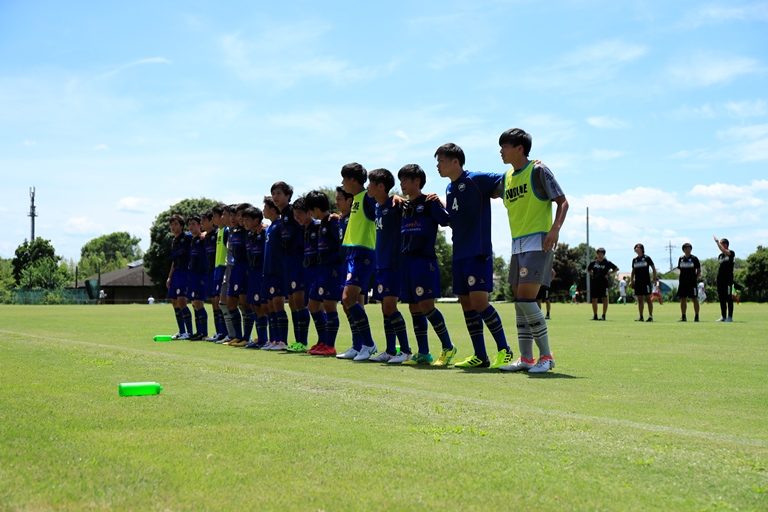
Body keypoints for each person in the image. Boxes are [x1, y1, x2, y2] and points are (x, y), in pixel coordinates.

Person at [494, 128, 569, 374]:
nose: (501, 151)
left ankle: (546, 356)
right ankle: (526, 358)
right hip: (517, 245)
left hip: (538, 242)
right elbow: (487, 188)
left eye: (505, 146)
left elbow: (563, 202)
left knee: (526, 300)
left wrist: (555, 229)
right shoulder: (507, 177)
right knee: (520, 303)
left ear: (520, 149)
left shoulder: (538, 170)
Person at [434, 142, 513, 369]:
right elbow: (452, 219)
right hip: (459, 253)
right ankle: (480, 355)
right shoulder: (449, 189)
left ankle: (505, 350)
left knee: (480, 302)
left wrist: (528, 169)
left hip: (477, 251)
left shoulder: (476, 179)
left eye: (441, 161)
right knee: (466, 303)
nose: (438, 166)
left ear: (455, 161)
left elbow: (505, 178)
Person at [396, 164, 456, 367]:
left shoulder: (430, 202)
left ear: (417, 181)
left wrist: (440, 201)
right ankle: (423, 352)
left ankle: (448, 347)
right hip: (406, 262)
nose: (402, 184)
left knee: (426, 305)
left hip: (423, 261)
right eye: (401, 180)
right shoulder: (404, 206)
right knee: (414, 307)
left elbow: (447, 220)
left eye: (405, 180)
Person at [366, 168, 413, 364]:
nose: (368, 187)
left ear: (381, 186)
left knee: (390, 306)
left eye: (370, 183)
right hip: (381, 264)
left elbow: (411, 203)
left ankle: (406, 350)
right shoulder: (377, 206)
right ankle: (390, 350)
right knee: (384, 308)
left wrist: (398, 197)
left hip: (394, 263)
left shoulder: (395, 205)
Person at [335, 163, 379, 361]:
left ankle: (368, 344)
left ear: (352, 180)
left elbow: (382, 210)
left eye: (344, 179)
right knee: (347, 302)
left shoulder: (367, 198)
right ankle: (357, 345)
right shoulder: (355, 200)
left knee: (348, 299)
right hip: (352, 255)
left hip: (364, 254)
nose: (342, 183)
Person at [305, 189, 348, 356]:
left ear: (316, 208)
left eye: (310, 209)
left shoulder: (333, 222)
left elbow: (341, 245)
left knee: (329, 306)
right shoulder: (321, 223)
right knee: (312, 304)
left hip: (332, 270)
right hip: (320, 270)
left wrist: (337, 265)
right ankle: (322, 341)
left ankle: (330, 345)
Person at [272, 182, 311, 352]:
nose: (275, 197)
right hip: (287, 263)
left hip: (298, 261)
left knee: (299, 301)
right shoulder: (282, 216)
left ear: (288, 195)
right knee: (293, 303)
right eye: (273, 193)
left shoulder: (293, 211)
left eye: (279, 193)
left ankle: (302, 342)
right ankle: (297, 342)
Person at [261, 196, 290, 350]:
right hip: (268, 271)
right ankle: (273, 339)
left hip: (278, 271)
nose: (263, 210)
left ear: (272, 209)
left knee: (278, 305)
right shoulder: (270, 227)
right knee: (270, 306)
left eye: (265, 207)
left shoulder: (280, 225)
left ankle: (282, 341)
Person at [223, 203, 252, 347]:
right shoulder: (232, 232)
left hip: (245, 269)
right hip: (235, 269)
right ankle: (237, 336)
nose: (234, 218)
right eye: (232, 215)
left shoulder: (248, 231)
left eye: (238, 215)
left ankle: (246, 337)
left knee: (245, 304)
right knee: (230, 303)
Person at [242, 206, 269, 348]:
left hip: (261, 274)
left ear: (256, 220)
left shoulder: (264, 232)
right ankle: (261, 338)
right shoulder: (249, 234)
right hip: (252, 274)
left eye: (247, 219)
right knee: (254, 305)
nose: (244, 222)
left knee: (262, 306)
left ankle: (267, 339)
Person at [166, 214, 193, 339]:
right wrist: (169, 277)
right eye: (171, 225)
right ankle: (181, 331)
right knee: (174, 302)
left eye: (176, 224)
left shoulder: (187, 237)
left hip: (185, 273)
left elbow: (198, 235)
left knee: (182, 301)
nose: (173, 227)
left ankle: (189, 332)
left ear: (181, 226)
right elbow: (174, 261)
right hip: (176, 274)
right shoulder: (174, 241)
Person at [186, 214, 209, 340]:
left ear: (200, 225)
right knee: (194, 303)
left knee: (199, 302)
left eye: (194, 224)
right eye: (189, 224)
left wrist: (205, 233)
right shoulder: (192, 240)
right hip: (192, 275)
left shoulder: (203, 238)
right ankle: (198, 331)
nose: (191, 227)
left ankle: (203, 333)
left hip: (201, 274)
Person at [587, 247, 618, 320]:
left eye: (601, 254)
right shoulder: (593, 263)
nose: (600, 255)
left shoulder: (607, 263)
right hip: (595, 283)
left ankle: (603, 315)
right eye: (598, 253)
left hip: (604, 283)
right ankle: (595, 315)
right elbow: (588, 269)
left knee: (605, 299)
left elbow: (616, 268)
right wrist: (592, 274)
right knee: (594, 299)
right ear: (597, 254)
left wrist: (609, 273)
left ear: (604, 254)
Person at [630, 243, 657, 322]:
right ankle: (641, 317)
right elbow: (633, 271)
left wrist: (654, 278)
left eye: (638, 247)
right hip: (638, 282)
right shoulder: (634, 260)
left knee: (648, 299)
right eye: (635, 247)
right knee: (640, 300)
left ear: (642, 249)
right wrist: (631, 280)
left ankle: (650, 316)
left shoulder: (647, 258)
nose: (636, 248)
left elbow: (653, 268)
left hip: (646, 282)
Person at [676, 242, 701, 322]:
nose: (688, 249)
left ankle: (696, 316)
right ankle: (683, 316)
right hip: (683, 283)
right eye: (686, 248)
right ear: (683, 250)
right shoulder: (681, 258)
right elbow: (680, 270)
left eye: (689, 248)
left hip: (692, 283)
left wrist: (695, 278)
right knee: (683, 299)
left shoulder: (694, 258)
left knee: (694, 298)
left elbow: (698, 270)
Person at [713, 236, 735, 322]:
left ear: (726, 244)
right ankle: (723, 316)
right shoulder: (720, 256)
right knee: (722, 298)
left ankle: (730, 317)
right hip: (720, 280)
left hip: (728, 280)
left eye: (721, 244)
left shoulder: (731, 253)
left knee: (729, 298)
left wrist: (717, 242)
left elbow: (725, 251)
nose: (720, 245)